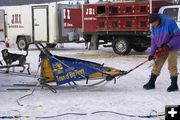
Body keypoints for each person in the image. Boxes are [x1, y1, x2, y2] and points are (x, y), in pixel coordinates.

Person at [143, 13, 180, 92]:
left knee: (171, 64)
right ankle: (151, 83)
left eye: (154, 23)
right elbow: (153, 41)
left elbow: (178, 36)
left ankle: (174, 85)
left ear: (158, 20)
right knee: (157, 63)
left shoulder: (170, 23)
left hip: (172, 47)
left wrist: (168, 45)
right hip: (162, 48)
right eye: (151, 23)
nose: (153, 25)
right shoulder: (153, 27)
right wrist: (152, 54)